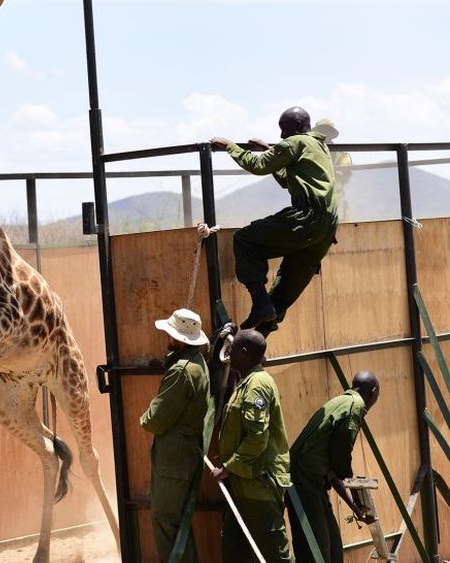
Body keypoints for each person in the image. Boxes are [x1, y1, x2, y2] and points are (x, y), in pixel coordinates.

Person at [211, 107, 337, 336]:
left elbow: (258, 165)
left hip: (307, 218)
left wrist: (231, 147)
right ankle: (260, 337)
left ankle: (260, 303)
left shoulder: (293, 143)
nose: (280, 136)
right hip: (326, 229)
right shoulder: (319, 146)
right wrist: (272, 151)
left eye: (284, 130)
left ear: (296, 128)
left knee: (245, 240)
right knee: (284, 290)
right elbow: (289, 180)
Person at [140, 309, 215, 563]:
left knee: (165, 523)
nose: (166, 338)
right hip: (184, 456)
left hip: (173, 459)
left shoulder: (182, 371)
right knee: (177, 526)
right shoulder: (196, 363)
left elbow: (154, 419)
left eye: (170, 334)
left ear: (180, 339)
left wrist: (146, 416)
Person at [210, 330, 292, 562]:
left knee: (274, 552)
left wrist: (228, 466)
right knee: (235, 549)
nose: (229, 354)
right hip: (244, 484)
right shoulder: (247, 382)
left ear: (244, 353)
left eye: (233, 349)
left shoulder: (257, 386)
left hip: (258, 485)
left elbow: (257, 438)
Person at [287, 371, 381, 562]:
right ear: (372, 393)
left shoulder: (338, 403)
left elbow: (334, 470)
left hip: (312, 480)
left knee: (333, 545)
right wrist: (358, 497)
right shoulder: (356, 406)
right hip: (305, 480)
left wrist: (355, 507)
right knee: (316, 548)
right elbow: (341, 461)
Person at [312, 118, 353, 221]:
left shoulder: (341, 153)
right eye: (321, 130)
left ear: (331, 133)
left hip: (336, 198)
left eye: (326, 130)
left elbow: (345, 173)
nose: (324, 133)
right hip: (315, 200)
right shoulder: (311, 151)